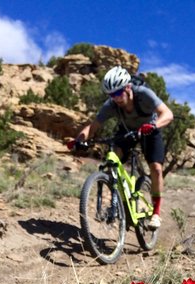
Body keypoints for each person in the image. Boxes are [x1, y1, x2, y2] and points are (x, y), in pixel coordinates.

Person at [74, 65, 173, 229]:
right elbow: (93, 126)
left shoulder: (143, 94)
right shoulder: (111, 105)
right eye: (112, 95)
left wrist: (154, 125)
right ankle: (117, 201)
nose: (116, 98)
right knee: (112, 159)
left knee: (156, 168)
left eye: (119, 93)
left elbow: (167, 114)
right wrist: (79, 139)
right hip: (127, 131)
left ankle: (156, 213)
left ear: (128, 87)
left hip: (149, 129)